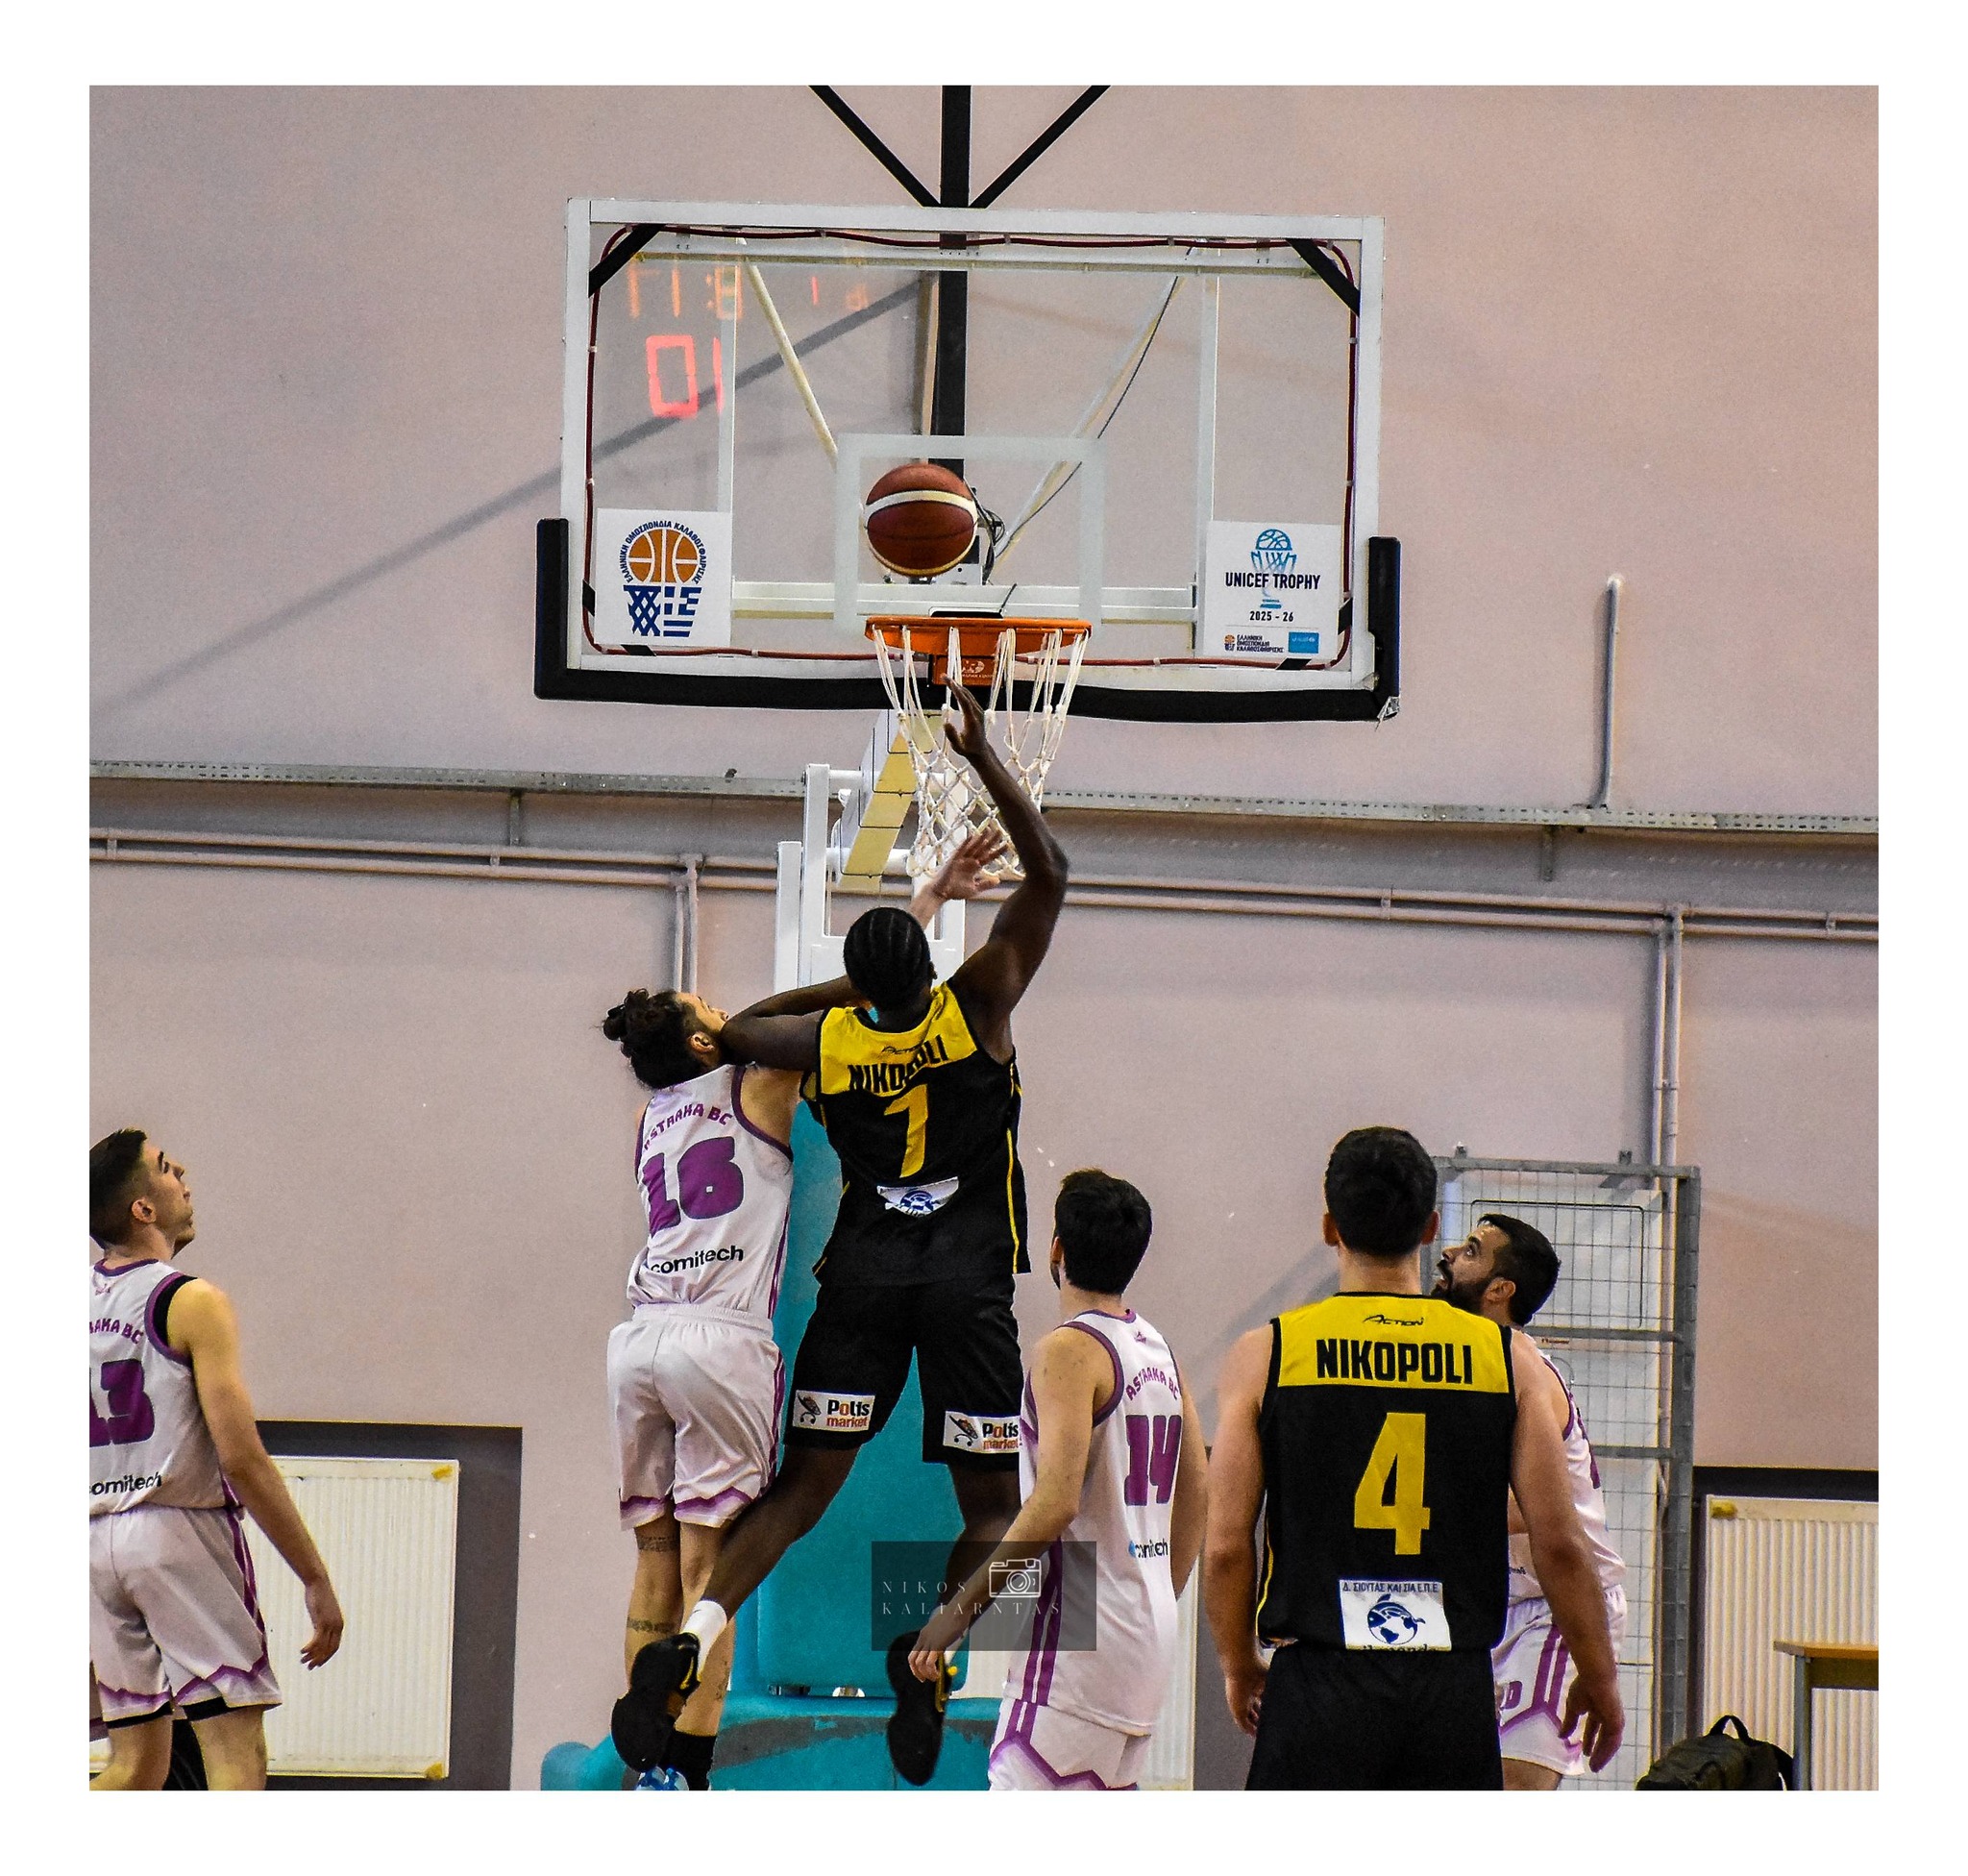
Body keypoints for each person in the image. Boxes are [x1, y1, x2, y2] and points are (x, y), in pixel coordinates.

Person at [621, 682, 1069, 1784]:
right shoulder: (980, 1000)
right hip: (965, 1280)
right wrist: (984, 760)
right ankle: (929, 1650)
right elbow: (1051, 872)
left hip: (861, 1276)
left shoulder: (820, 1044)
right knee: (991, 1507)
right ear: (926, 969)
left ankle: (699, 1629)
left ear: (860, 987)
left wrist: (865, 970)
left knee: (802, 1486)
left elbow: (735, 1028)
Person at [1201, 1126, 1623, 1790]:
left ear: (1329, 1227)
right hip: (1449, 1684)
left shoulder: (1268, 1353)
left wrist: (1238, 1665)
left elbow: (1227, 1546)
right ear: (1429, 1228)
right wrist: (1599, 1675)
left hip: (1321, 1674)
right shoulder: (1508, 1359)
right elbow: (1560, 1543)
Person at [904, 1170, 1207, 1790]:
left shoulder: (1066, 1350)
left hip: (1076, 1646)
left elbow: (1055, 1503)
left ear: (1056, 1249)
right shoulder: (1159, 1349)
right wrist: (1153, 1591)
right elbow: (1198, 1490)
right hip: (1146, 1638)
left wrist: (955, 1615)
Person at [88, 1130, 345, 1790]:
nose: (183, 1174)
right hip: (177, 1531)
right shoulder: (192, 1300)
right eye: (165, 1168)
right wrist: (313, 1576)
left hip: (93, 1539)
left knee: (135, 1766)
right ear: (143, 1208)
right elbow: (241, 1457)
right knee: (235, 1752)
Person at [1433, 1214, 1629, 1789]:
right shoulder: (1460, 1361)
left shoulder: (1524, 1371)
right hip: (1488, 1604)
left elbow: (1532, 1514)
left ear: (1500, 1290)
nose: (1449, 1252)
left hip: (1556, 1602)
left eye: (1472, 1250)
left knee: (1517, 1785)